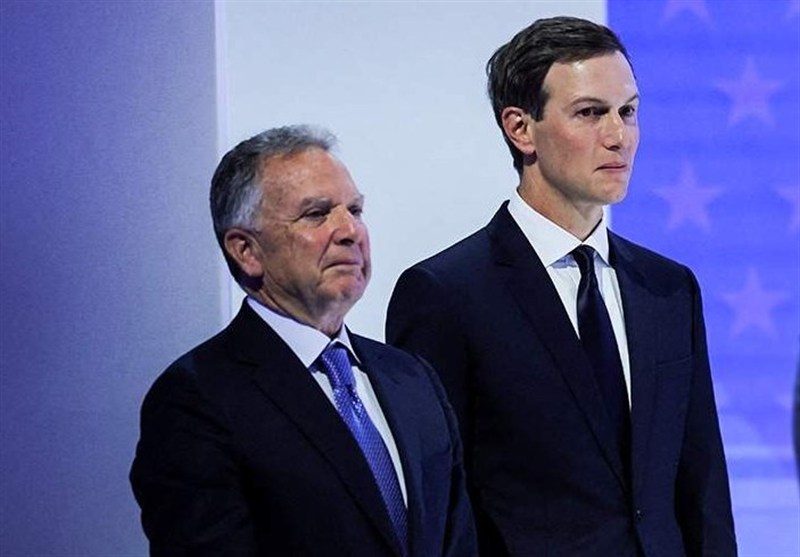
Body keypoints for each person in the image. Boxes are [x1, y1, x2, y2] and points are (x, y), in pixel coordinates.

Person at [386, 16, 737, 557]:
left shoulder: (668, 289)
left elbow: (702, 484)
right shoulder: (445, 294)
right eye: (590, 113)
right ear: (520, 129)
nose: (618, 136)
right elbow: (438, 505)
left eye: (628, 111)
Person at [130, 125, 477, 557]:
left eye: (355, 210)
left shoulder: (412, 378)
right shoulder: (196, 398)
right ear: (246, 251)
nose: (350, 231)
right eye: (316, 214)